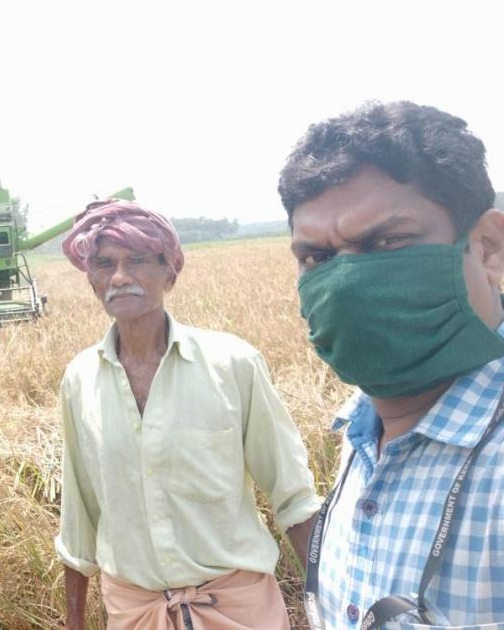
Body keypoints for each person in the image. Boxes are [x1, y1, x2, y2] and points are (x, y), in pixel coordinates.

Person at [278, 101, 504, 629]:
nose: (345, 286)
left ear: (489, 247)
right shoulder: (362, 432)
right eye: (317, 258)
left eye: (387, 241)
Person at [55, 200, 322, 629]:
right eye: (105, 264)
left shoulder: (233, 364)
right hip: (136, 613)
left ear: (170, 274)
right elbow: (78, 519)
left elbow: (293, 497)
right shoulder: (80, 380)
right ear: (91, 280)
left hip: (239, 609)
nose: (119, 277)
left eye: (137, 261)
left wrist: (330, 606)